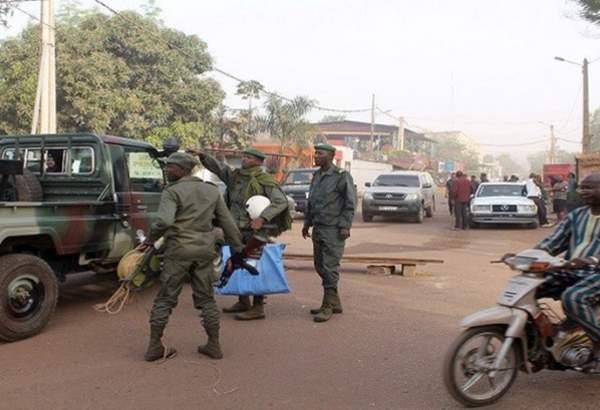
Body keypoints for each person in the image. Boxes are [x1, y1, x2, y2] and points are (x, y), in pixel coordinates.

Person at [144, 152, 244, 362]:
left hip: (178, 251)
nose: (166, 169)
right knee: (206, 299)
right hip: (204, 251)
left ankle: (154, 346)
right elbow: (227, 223)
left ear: (182, 169)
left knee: (165, 299)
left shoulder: (172, 192)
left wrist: (149, 240)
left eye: (170, 167)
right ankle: (214, 345)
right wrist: (238, 248)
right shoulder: (211, 191)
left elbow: (163, 222)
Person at [197, 148, 290, 321]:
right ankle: (243, 300)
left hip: (255, 230)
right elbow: (219, 168)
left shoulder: (264, 180)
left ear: (259, 162)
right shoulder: (235, 177)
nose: (244, 160)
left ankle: (258, 306)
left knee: (255, 265)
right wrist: (203, 156)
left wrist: (263, 218)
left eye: (249, 157)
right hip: (235, 229)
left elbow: (281, 201)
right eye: (244, 157)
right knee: (237, 263)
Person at [531, 172, 600, 367]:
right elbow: (551, 242)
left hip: (596, 272)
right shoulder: (577, 215)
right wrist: (527, 255)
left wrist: (591, 259)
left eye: (589, 187)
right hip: (572, 271)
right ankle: (540, 343)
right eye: (581, 187)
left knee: (573, 297)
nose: (583, 192)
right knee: (530, 287)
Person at [302, 143, 356, 323]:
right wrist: (307, 223)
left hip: (333, 229)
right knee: (319, 265)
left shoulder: (341, 176)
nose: (316, 156)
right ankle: (335, 301)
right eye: (315, 153)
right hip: (318, 227)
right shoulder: (317, 176)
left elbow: (350, 203)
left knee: (329, 267)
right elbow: (312, 201)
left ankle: (327, 306)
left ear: (331, 156)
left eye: (320, 153)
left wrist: (345, 226)